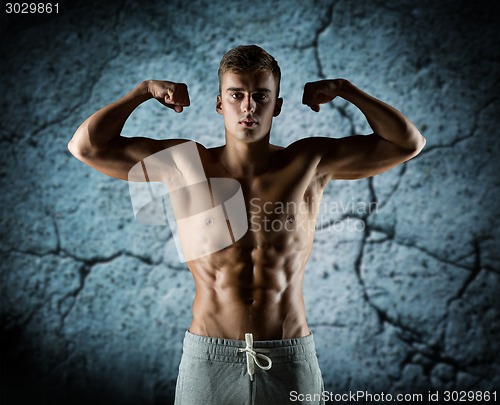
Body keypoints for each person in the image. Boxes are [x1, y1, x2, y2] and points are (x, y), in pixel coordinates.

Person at [68, 45, 425, 405]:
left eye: (261, 96)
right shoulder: (184, 163)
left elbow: (407, 142)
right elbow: (87, 147)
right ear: (220, 103)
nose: (249, 107)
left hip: (288, 356)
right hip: (209, 360)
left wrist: (347, 90)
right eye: (236, 95)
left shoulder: (308, 161)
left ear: (277, 106)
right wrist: (142, 91)